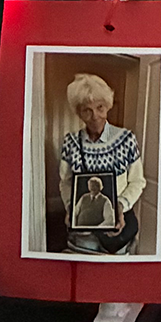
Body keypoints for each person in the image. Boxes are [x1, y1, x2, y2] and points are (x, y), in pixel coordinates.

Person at [56, 74, 144, 255]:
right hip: (83, 231)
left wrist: (120, 206)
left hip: (116, 226)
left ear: (108, 106)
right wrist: (71, 207)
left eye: (100, 107)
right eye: (86, 110)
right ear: (78, 112)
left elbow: (137, 181)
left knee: (114, 268)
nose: (95, 116)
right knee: (83, 265)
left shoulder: (126, 139)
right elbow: (66, 182)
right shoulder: (71, 142)